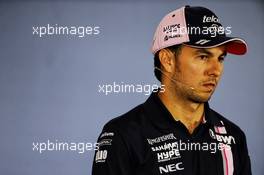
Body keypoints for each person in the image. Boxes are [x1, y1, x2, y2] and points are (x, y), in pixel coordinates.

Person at [92, 5, 251, 175]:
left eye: (220, 58)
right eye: (203, 57)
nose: (215, 70)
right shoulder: (122, 136)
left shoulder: (233, 137)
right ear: (167, 60)